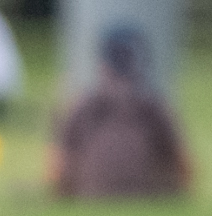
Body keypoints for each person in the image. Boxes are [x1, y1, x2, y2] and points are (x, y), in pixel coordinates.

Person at [48, 23, 195, 200]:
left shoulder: (83, 105)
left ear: (103, 62)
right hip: (147, 199)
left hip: (91, 198)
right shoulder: (151, 104)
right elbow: (185, 167)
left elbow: (56, 171)